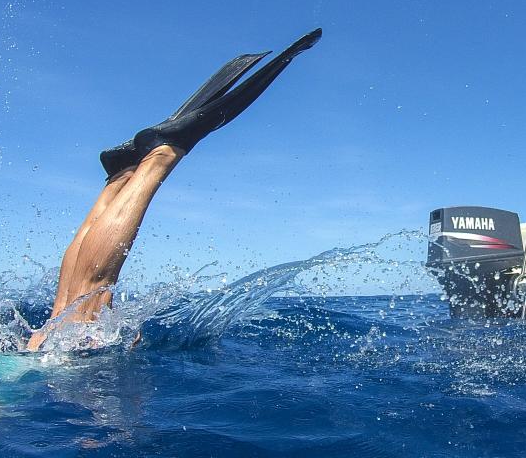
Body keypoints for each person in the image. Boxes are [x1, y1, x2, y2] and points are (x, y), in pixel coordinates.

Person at [26, 29, 322, 351]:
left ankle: (132, 171)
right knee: (80, 313)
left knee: (70, 314)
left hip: (39, 364)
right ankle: (146, 163)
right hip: (47, 363)